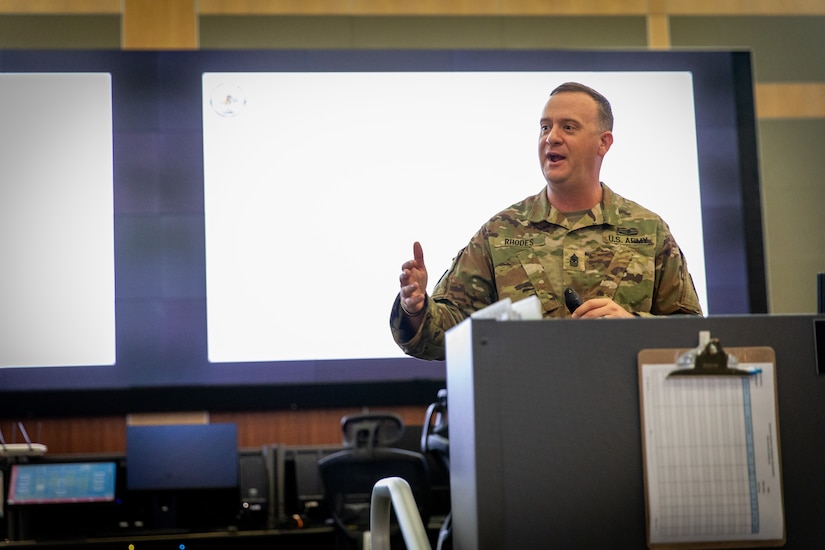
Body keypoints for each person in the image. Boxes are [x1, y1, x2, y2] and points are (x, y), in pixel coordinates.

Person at [391, 82, 703, 361]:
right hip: (525, 412)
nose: (551, 138)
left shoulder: (648, 231)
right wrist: (415, 309)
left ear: (603, 143)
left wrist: (633, 327)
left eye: (568, 127)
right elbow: (450, 335)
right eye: (545, 127)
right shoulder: (500, 233)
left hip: (624, 413)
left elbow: (694, 335)